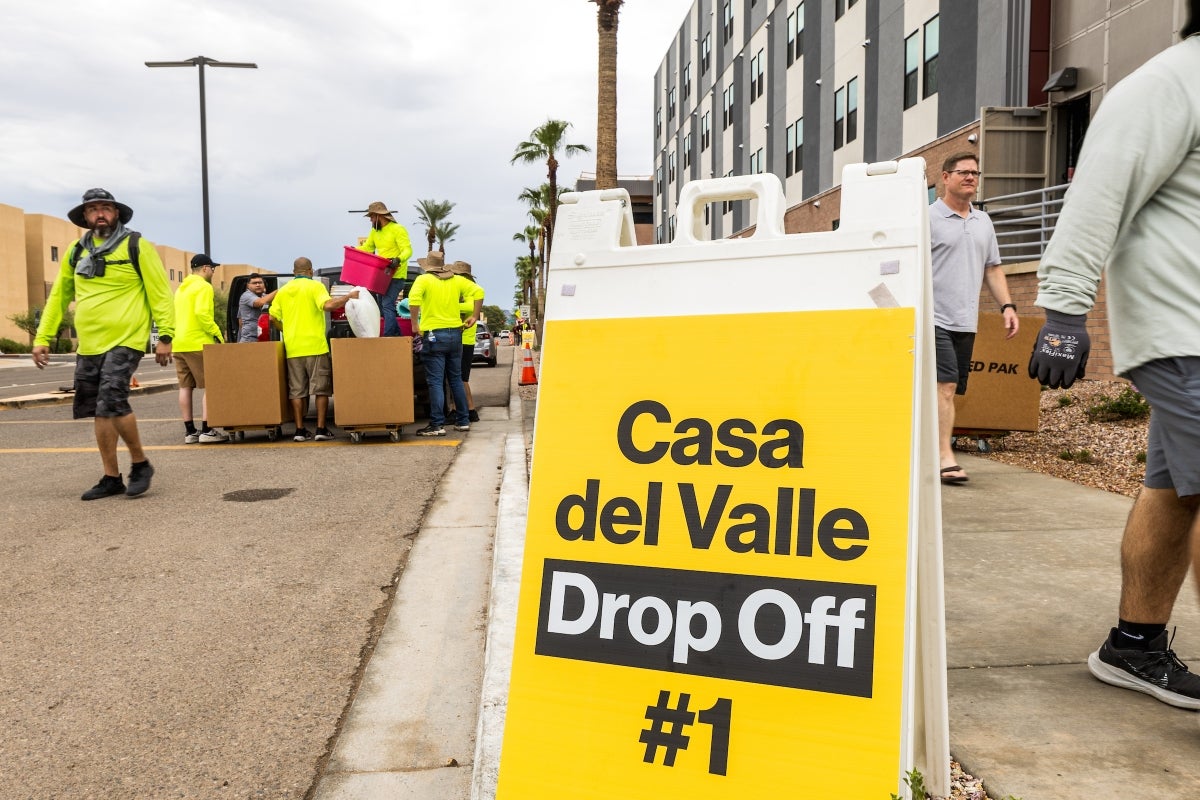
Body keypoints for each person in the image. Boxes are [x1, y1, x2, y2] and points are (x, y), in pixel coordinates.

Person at [1028, 11, 1200, 710]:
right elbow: (1099, 188)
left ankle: (1134, 645)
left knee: (1173, 490)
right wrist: (1065, 313)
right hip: (1185, 330)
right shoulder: (1172, 81)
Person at [30, 188, 174, 499]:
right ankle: (111, 477)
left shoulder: (136, 246)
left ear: (117, 213)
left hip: (126, 338)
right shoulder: (75, 251)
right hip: (89, 344)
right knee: (98, 410)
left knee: (112, 400)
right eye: (93, 209)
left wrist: (165, 336)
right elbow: (59, 297)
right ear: (84, 217)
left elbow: (160, 293)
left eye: (105, 208)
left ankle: (140, 463)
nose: (100, 213)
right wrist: (42, 337)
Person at [929, 152, 1019, 485]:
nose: (970, 177)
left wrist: (1007, 306)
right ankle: (943, 458)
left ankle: (925, 447)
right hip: (932, 318)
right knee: (946, 386)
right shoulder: (928, 218)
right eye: (963, 172)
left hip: (964, 320)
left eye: (975, 172)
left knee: (947, 390)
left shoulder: (983, 221)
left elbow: (992, 267)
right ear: (945, 177)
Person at [268, 257, 358, 442]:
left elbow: (272, 318)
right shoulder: (315, 287)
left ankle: (299, 431)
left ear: (294, 272)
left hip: (293, 348)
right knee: (321, 389)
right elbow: (327, 305)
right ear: (310, 271)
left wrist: (285, 329)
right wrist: (348, 297)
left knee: (297, 391)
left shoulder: (283, 291)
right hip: (316, 346)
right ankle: (320, 429)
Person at [409, 252, 481, 436]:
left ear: (428, 266)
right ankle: (463, 420)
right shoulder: (456, 280)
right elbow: (479, 292)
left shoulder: (423, 280)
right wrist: (474, 315)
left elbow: (414, 300)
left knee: (435, 382)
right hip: (455, 334)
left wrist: (415, 324)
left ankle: (437, 425)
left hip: (434, 335)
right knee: (456, 379)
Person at [174, 254, 228, 444]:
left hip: (179, 343)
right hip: (198, 342)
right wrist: (218, 335)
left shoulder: (181, 288)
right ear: (205, 268)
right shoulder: (204, 287)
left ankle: (190, 431)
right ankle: (208, 429)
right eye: (212, 268)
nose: (213, 272)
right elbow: (202, 314)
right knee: (211, 385)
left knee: (185, 386)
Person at [356, 201, 413, 338]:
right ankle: (399, 338)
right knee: (384, 307)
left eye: (371, 217)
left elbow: (407, 250)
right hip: (381, 276)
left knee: (387, 304)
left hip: (396, 275)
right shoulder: (375, 232)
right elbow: (368, 248)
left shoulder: (398, 229)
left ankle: (387, 338)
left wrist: (398, 259)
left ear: (378, 216)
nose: (370, 220)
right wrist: (353, 250)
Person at [451, 260, 485, 423]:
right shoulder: (463, 289)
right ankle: (457, 409)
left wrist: (448, 306)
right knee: (457, 378)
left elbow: (470, 308)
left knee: (461, 378)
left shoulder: (469, 291)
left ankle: (470, 410)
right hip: (462, 339)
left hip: (465, 340)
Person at [236, 273, 277, 343]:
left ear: (264, 284)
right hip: (249, 339)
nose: (258, 285)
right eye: (254, 283)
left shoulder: (264, 296)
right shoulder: (246, 296)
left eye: (260, 282)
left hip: (263, 338)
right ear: (248, 286)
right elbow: (260, 302)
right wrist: (279, 290)